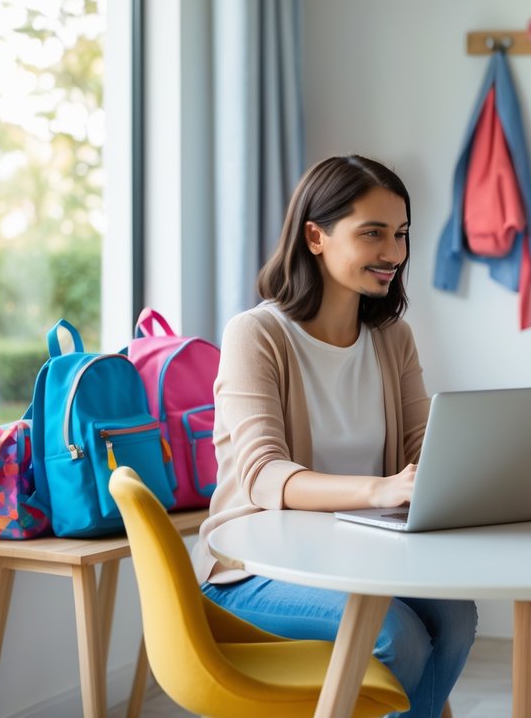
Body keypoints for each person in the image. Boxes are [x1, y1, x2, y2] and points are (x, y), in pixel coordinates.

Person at [191, 155, 477, 718]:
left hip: (360, 558)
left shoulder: (392, 337)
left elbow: (425, 449)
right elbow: (261, 475)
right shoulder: (257, 335)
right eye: (373, 233)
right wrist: (380, 489)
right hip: (255, 570)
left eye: (400, 234)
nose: (394, 253)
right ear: (315, 237)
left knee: (457, 616)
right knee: (399, 635)